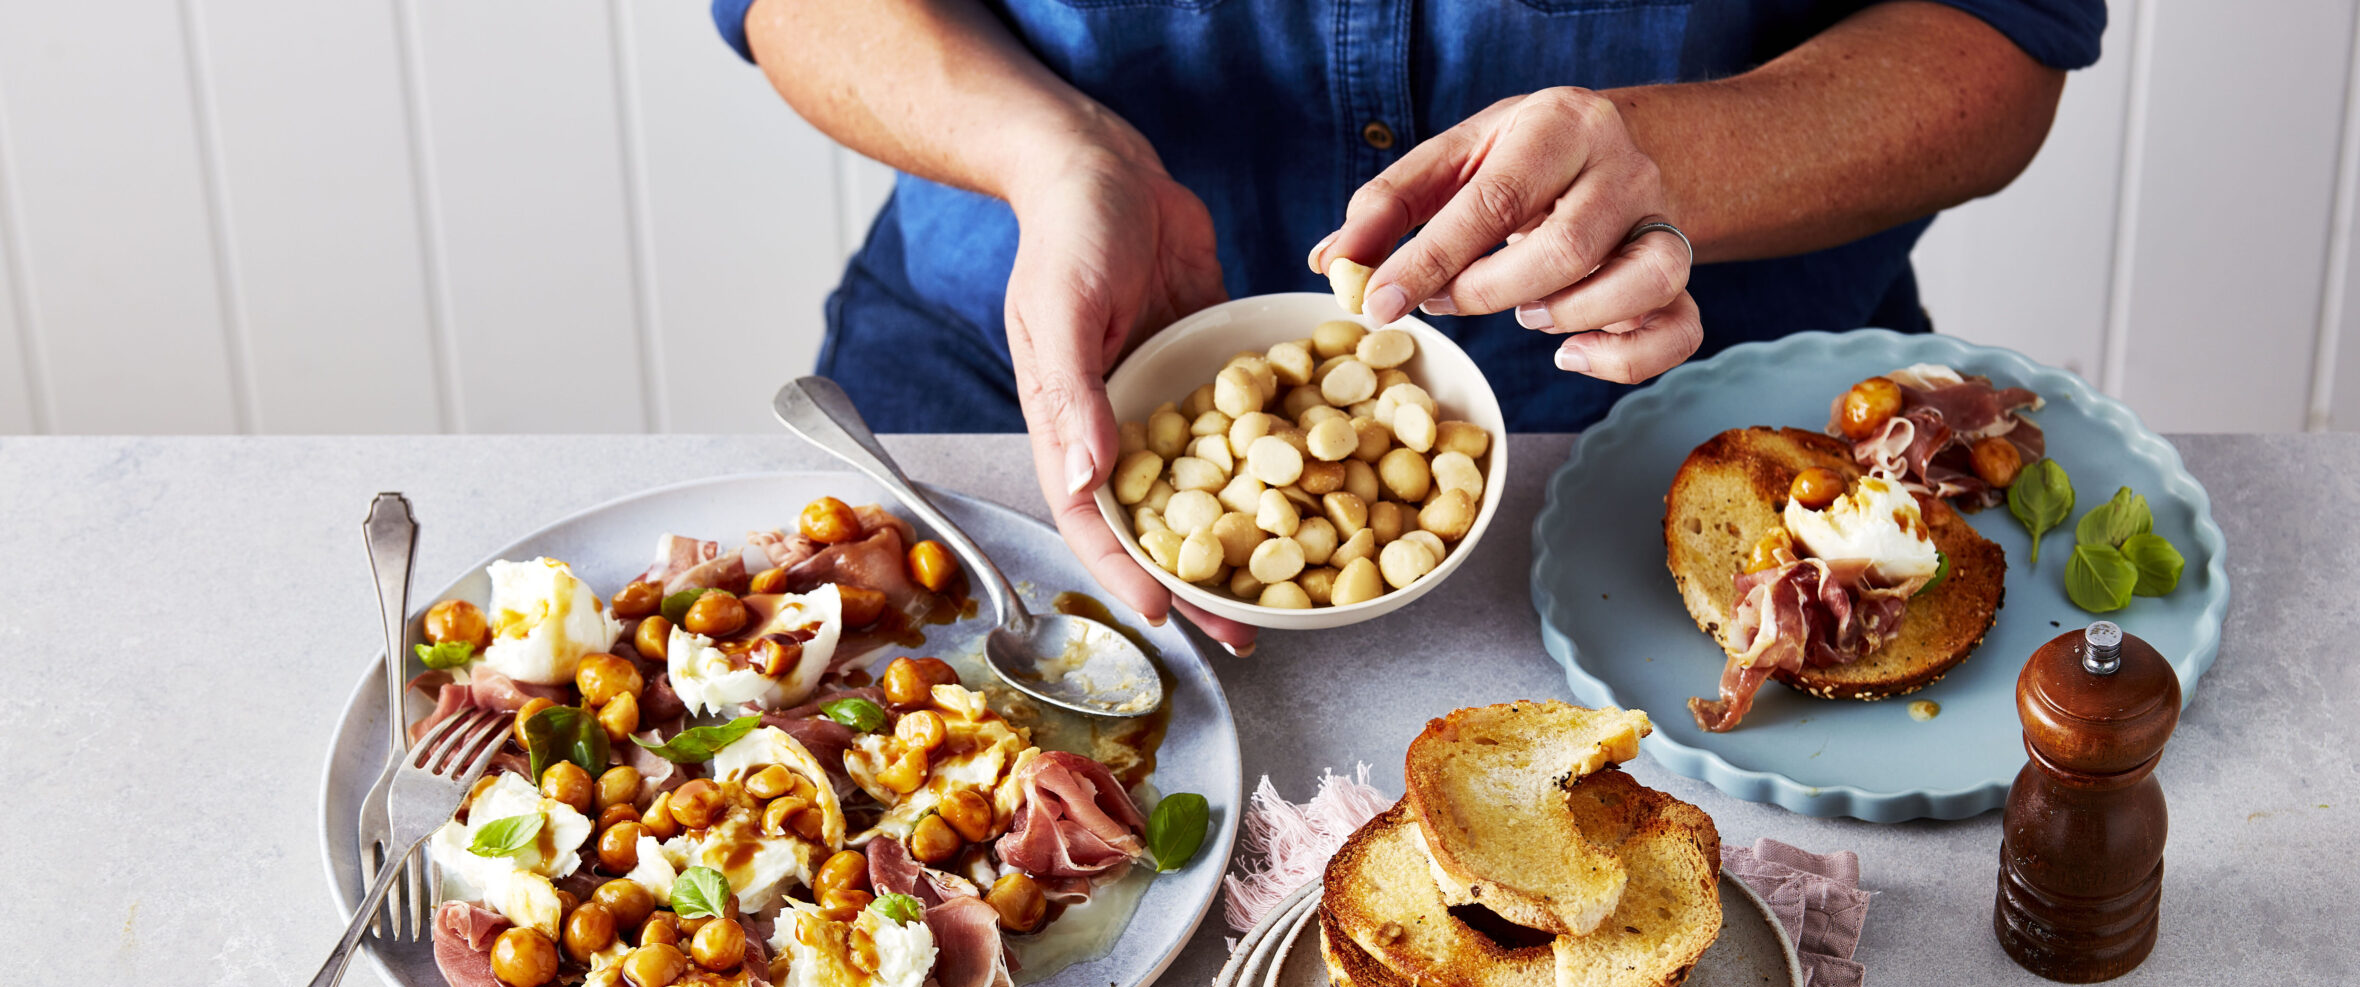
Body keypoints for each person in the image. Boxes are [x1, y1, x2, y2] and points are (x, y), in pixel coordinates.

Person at [715, 0, 2101, 654]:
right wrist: (1053, 153)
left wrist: (1671, 157)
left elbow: (2001, 39)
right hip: (1006, 344)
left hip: (1709, 394)